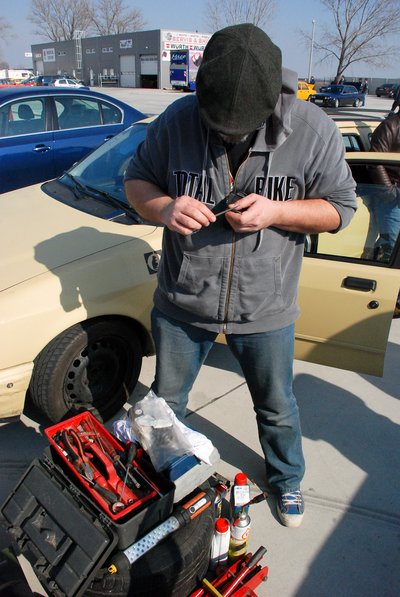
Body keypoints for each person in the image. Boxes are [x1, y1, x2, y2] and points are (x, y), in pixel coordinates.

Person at [124, 23, 357, 528]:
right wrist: (164, 208)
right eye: (218, 123)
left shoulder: (313, 129)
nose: (228, 134)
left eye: (240, 125)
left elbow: (342, 209)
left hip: (265, 306)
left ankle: (286, 478)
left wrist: (276, 212)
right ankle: (157, 479)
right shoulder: (176, 121)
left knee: (276, 406)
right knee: (166, 403)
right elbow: (136, 181)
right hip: (183, 300)